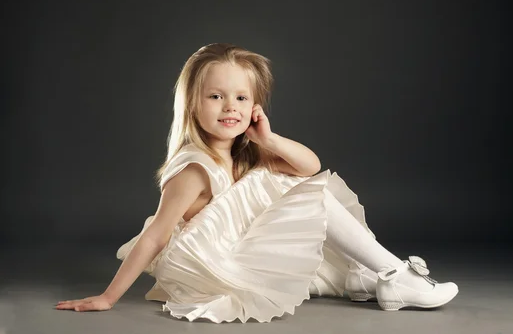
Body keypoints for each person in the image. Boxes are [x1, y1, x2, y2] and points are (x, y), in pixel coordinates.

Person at [55, 43, 458, 323]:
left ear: (255, 106)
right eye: (215, 97)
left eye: (241, 99)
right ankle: (394, 274)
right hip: (204, 266)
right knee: (285, 188)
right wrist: (108, 297)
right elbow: (156, 236)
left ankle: (362, 277)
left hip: (234, 250)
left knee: (293, 191)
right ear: (192, 104)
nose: (230, 107)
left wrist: (268, 139)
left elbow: (311, 166)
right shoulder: (193, 168)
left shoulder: (246, 150)